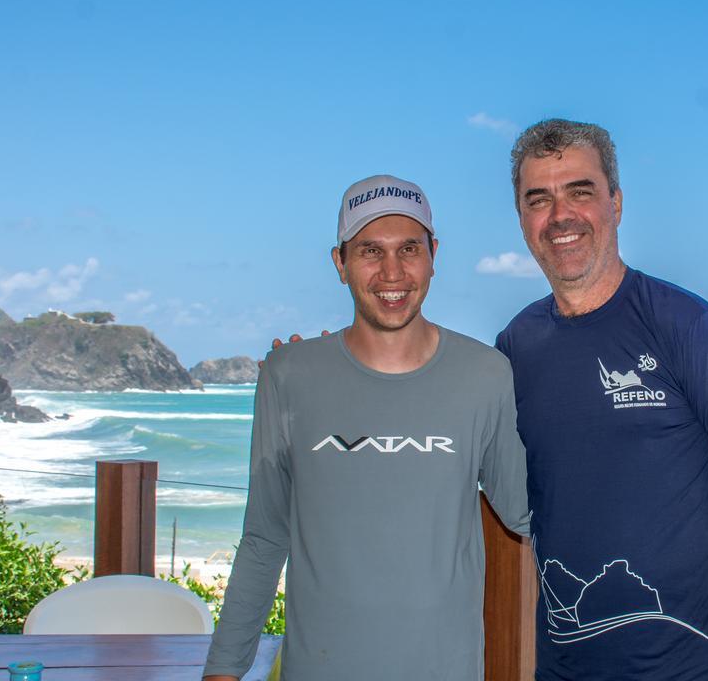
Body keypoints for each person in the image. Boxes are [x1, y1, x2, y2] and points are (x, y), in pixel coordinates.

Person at [494, 119, 708, 681]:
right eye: (538, 199)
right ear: (522, 219)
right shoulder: (516, 346)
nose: (560, 216)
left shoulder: (689, 328)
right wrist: (315, 379)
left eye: (580, 192)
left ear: (615, 201)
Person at [202, 174, 530, 681]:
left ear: (433, 255)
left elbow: (527, 511)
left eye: (409, 249)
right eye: (370, 251)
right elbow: (265, 537)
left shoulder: (485, 374)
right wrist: (222, 671)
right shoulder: (288, 376)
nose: (392, 272)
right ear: (341, 263)